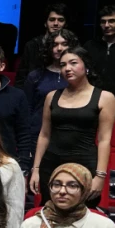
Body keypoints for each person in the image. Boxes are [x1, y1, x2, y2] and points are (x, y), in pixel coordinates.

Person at [30, 47, 115, 208]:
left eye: (73, 63)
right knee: (51, 211)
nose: (67, 68)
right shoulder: (52, 96)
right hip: (51, 164)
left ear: (86, 65)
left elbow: (104, 139)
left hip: (85, 164)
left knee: (83, 213)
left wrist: (100, 176)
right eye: (63, 65)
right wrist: (36, 169)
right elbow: (44, 135)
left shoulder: (105, 97)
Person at [22, 29, 77, 173]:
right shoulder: (35, 76)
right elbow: (26, 110)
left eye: (64, 44)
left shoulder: (78, 76)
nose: (59, 48)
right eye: (55, 44)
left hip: (69, 136)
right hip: (38, 135)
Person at [19, 4, 68, 81]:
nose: (56, 23)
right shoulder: (32, 45)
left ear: (66, 24)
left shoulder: (72, 45)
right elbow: (21, 78)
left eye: (60, 20)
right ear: (45, 23)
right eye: (52, 19)